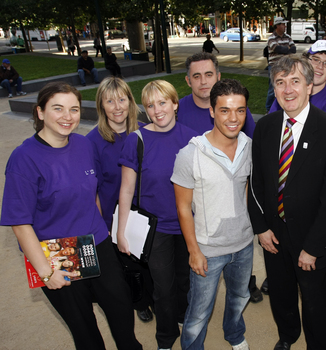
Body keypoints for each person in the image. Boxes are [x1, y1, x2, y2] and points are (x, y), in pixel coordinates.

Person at [0, 82, 142, 350]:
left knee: (122, 309)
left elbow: (94, 193)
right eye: (58, 108)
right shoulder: (23, 159)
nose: (68, 116)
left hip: (95, 242)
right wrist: (45, 271)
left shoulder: (83, 144)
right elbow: (20, 223)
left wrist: (103, 230)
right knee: (84, 327)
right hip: (56, 253)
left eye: (74, 109)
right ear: (40, 112)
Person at [248, 56, 326, 350]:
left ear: (309, 86)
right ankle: (288, 334)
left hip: (310, 236)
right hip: (273, 233)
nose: (287, 89)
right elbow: (256, 182)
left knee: (314, 299)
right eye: (280, 82)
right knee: (281, 293)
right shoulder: (265, 127)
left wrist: (314, 247)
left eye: (295, 81)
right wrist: (261, 227)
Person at [117, 80, 199, 350]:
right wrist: (121, 232)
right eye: (150, 105)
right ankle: (165, 339)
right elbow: (127, 189)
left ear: (175, 104)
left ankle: (182, 320)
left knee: (186, 282)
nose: (157, 110)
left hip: (188, 224)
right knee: (163, 289)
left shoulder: (192, 138)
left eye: (162, 102)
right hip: (156, 228)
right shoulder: (136, 140)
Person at [173, 79, 253, 350]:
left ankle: (235, 334)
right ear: (212, 110)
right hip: (208, 250)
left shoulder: (250, 147)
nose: (234, 118)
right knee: (198, 312)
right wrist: (194, 251)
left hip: (243, 244)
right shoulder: (189, 154)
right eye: (225, 110)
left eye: (240, 110)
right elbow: (183, 208)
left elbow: (246, 192)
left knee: (239, 298)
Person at [86, 76, 153, 323]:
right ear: (101, 106)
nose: (117, 107)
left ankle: (154, 295)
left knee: (151, 261)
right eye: (110, 101)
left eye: (122, 99)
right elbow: (92, 189)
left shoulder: (145, 130)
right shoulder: (92, 142)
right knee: (129, 265)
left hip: (148, 211)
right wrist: (102, 227)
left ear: (131, 101)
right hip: (114, 217)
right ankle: (140, 302)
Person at [178, 52, 256, 137]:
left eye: (209, 75)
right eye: (197, 76)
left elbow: (253, 142)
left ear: (218, 77)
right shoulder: (177, 111)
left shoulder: (235, 107)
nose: (203, 81)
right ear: (188, 81)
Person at [269, 40, 326, 121]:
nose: (320, 67)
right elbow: (271, 125)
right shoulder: (288, 94)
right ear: (305, 61)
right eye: (316, 59)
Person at [265, 17, 296, 112]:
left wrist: (284, 49)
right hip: (274, 67)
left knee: (285, 88)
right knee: (272, 90)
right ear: (277, 25)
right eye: (282, 24)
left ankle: (281, 108)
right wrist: (287, 49)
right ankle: (269, 110)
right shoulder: (271, 38)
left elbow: (294, 49)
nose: (284, 26)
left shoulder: (287, 36)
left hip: (286, 67)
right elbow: (277, 49)